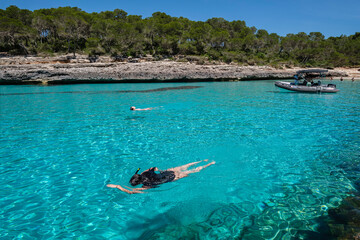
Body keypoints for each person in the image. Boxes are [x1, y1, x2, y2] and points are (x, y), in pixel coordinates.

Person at [107, 159, 216, 194]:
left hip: (171, 178)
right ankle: (203, 160)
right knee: (186, 166)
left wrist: (117, 186)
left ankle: (209, 164)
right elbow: (153, 168)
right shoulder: (144, 173)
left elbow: (132, 191)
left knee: (193, 171)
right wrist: (159, 170)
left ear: (139, 182)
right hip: (167, 172)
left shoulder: (147, 185)